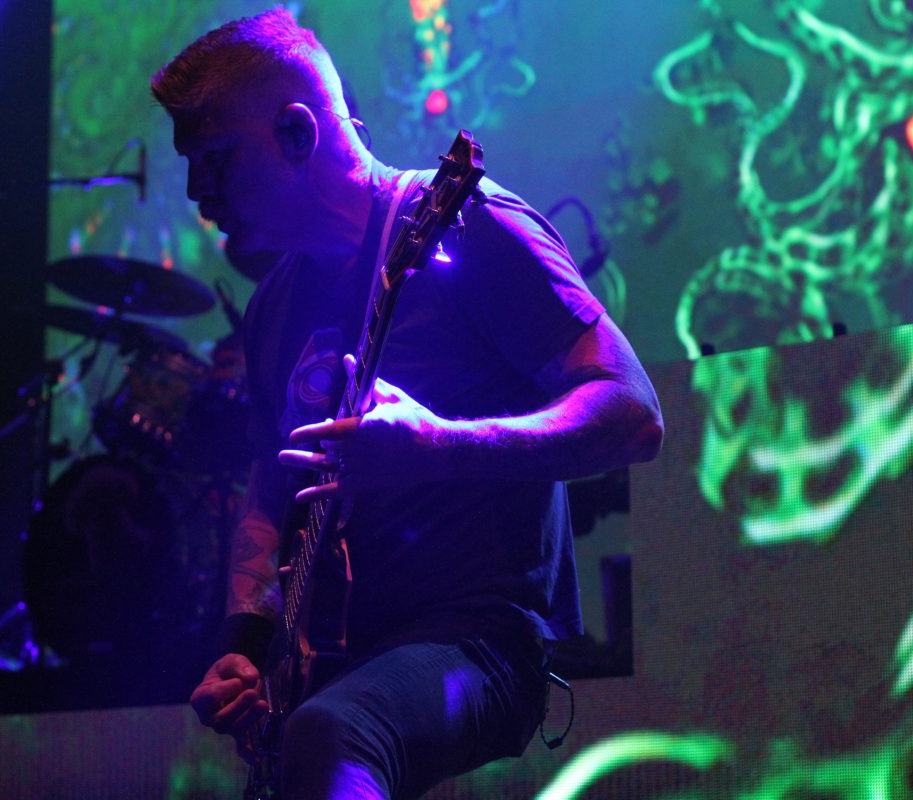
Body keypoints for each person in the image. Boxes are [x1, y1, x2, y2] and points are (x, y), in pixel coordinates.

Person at [151, 9, 663, 799]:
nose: (197, 193)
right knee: (321, 730)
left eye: (215, 160)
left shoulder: (471, 226)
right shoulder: (275, 308)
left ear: (297, 133)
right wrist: (245, 646)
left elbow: (632, 411)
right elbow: (270, 488)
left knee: (333, 732)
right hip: (337, 655)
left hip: (482, 640)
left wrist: (439, 446)